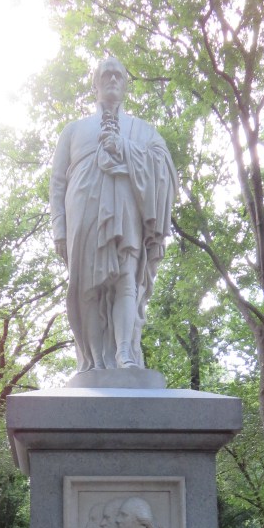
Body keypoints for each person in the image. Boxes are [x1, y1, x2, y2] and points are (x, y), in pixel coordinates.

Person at [50, 57, 177, 372]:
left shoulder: (142, 130)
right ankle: (94, 362)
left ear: (125, 84)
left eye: (118, 75)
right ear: (95, 83)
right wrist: (59, 231)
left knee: (126, 278)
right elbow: (57, 182)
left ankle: (125, 354)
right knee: (88, 288)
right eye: (106, 74)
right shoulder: (73, 130)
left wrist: (125, 148)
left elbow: (164, 166)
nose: (112, 79)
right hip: (84, 215)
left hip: (126, 212)